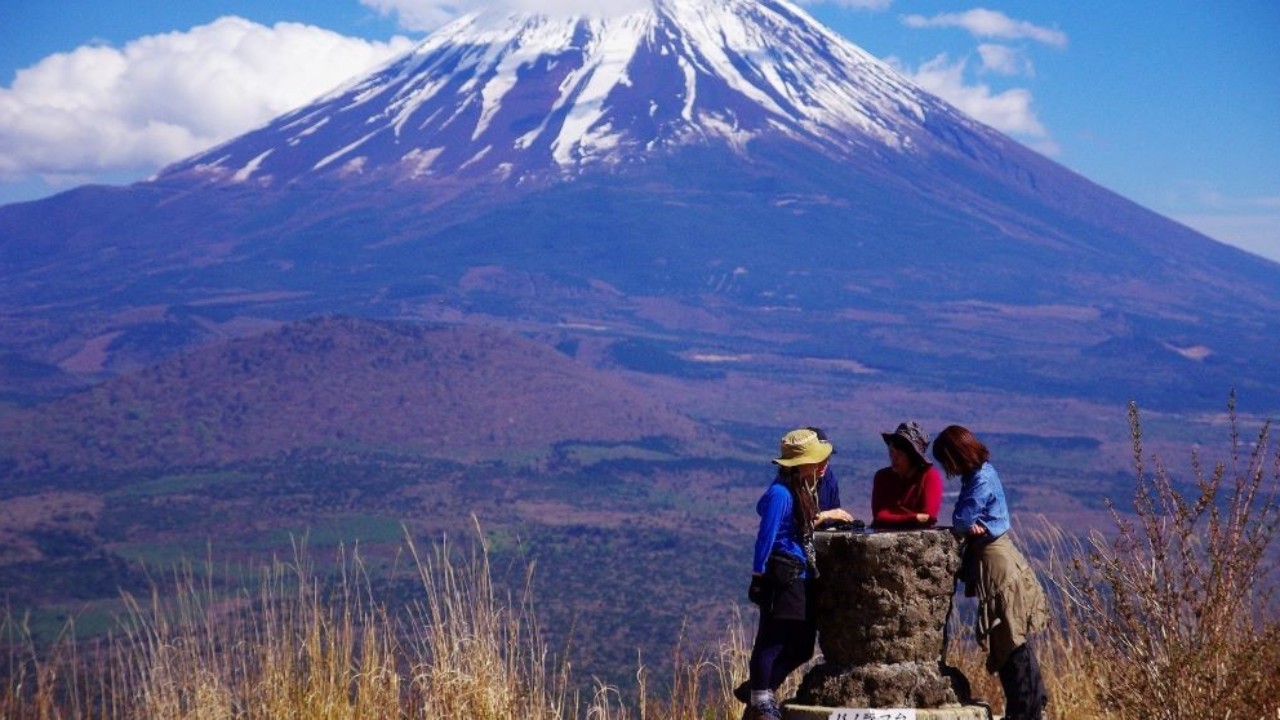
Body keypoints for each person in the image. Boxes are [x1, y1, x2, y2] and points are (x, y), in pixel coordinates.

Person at [932, 425, 1050, 720]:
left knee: (1009, 638)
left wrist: (965, 523)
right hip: (997, 556)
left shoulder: (980, 479)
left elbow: (961, 519)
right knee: (1012, 638)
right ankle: (1028, 708)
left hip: (996, 563)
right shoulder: (981, 474)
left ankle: (1025, 711)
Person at [739, 427, 854, 719]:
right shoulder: (781, 494)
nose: (820, 466)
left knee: (802, 645)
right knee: (773, 639)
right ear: (801, 464)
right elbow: (766, 536)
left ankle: (757, 690)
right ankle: (761, 701)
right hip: (782, 573)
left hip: (798, 573)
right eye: (815, 460)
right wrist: (758, 576)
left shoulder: (798, 489)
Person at [870, 421, 943, 529]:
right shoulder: (882, 477)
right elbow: (880, 516)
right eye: (891, 453)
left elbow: (929, 517)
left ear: (912, 456)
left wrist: (894, 518)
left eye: (899, 454)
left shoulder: (929, 476)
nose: (894, 459)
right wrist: (915, 517)